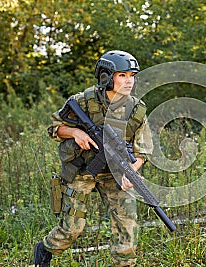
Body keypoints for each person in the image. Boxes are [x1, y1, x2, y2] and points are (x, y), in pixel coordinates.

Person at [33, 50, 153, 267]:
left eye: (132, 76)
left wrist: (132, 172)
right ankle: (45, 249)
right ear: (106, 77)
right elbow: (54, 127)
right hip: (82, 170)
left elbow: (142, 150)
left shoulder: (135, 109)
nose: (129, 81)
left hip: (115, 173)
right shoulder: (83, 101)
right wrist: (75, 133)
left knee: (127, 223)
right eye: (122, 75)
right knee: (72, 227)